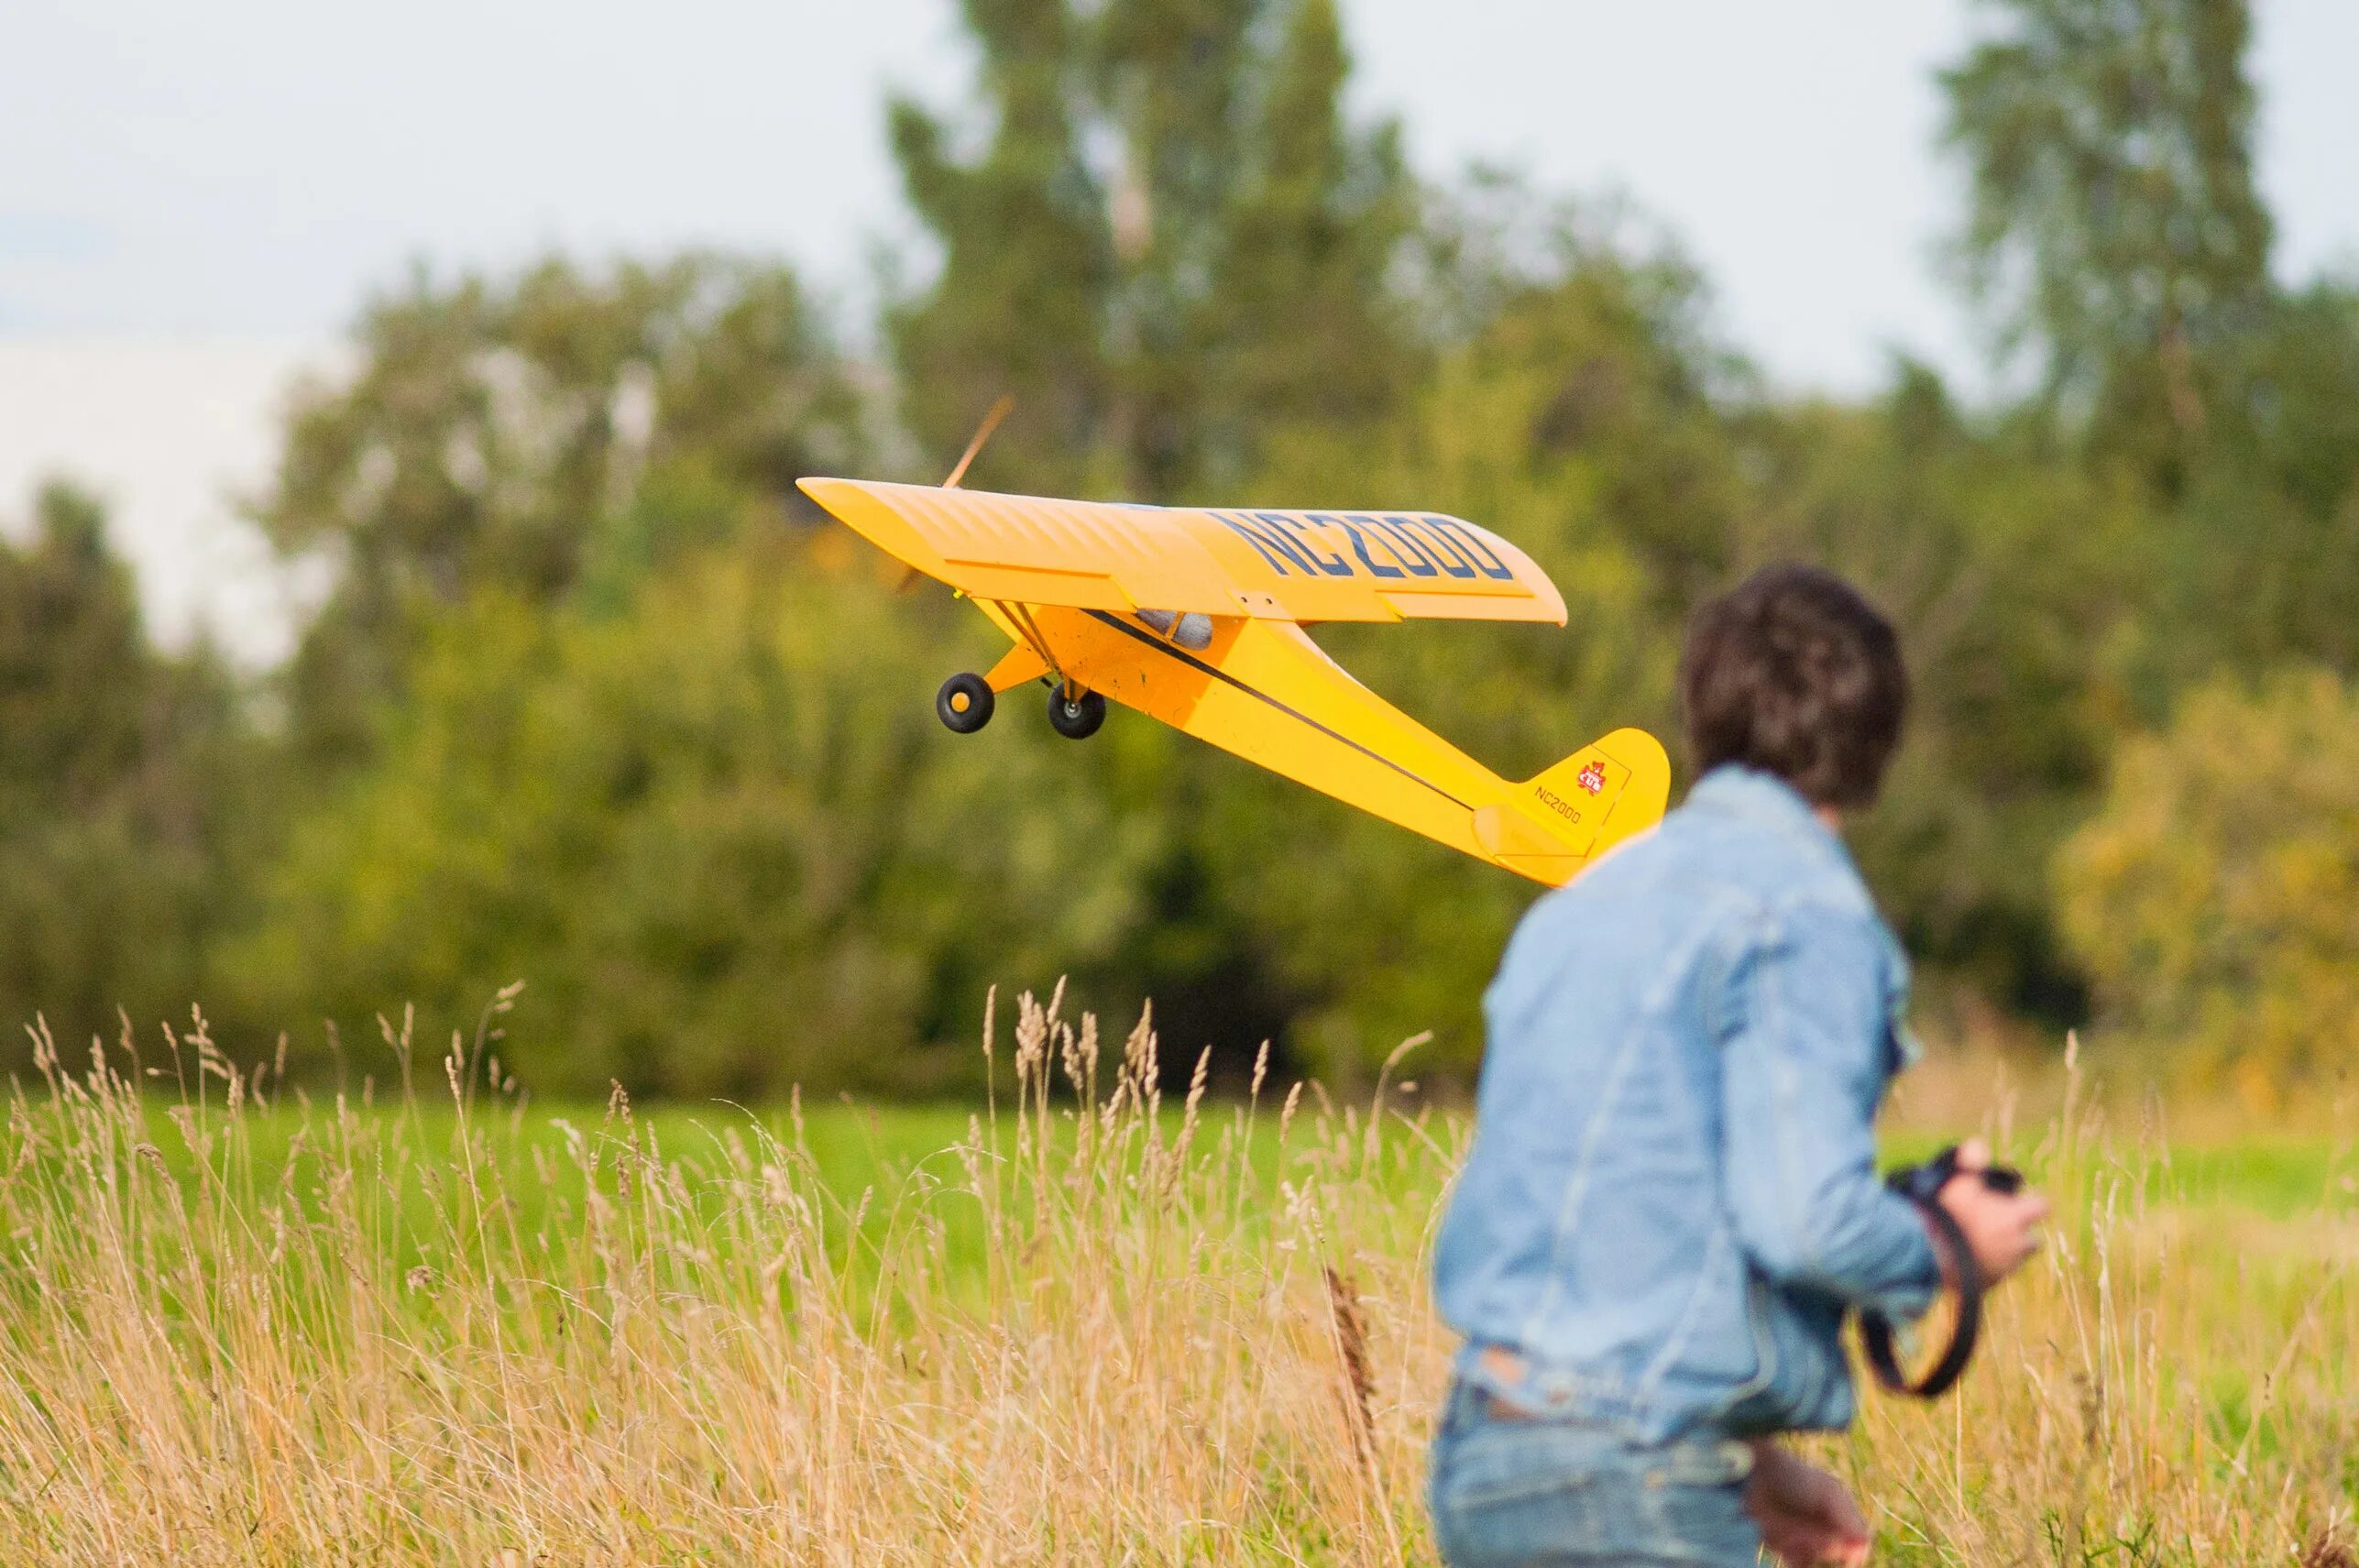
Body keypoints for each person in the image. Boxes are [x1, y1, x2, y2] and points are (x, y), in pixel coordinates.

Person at [1425, 565, 2050, 1568]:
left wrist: (1751, 1468)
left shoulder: (1582, 905)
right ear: (1877, 742)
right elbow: (1805, 1217)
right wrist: (1945, 1243)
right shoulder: (1807, 915)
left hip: (1489, 1457)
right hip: (1630, 1480)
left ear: (1703, 715)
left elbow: (1620, 1219)